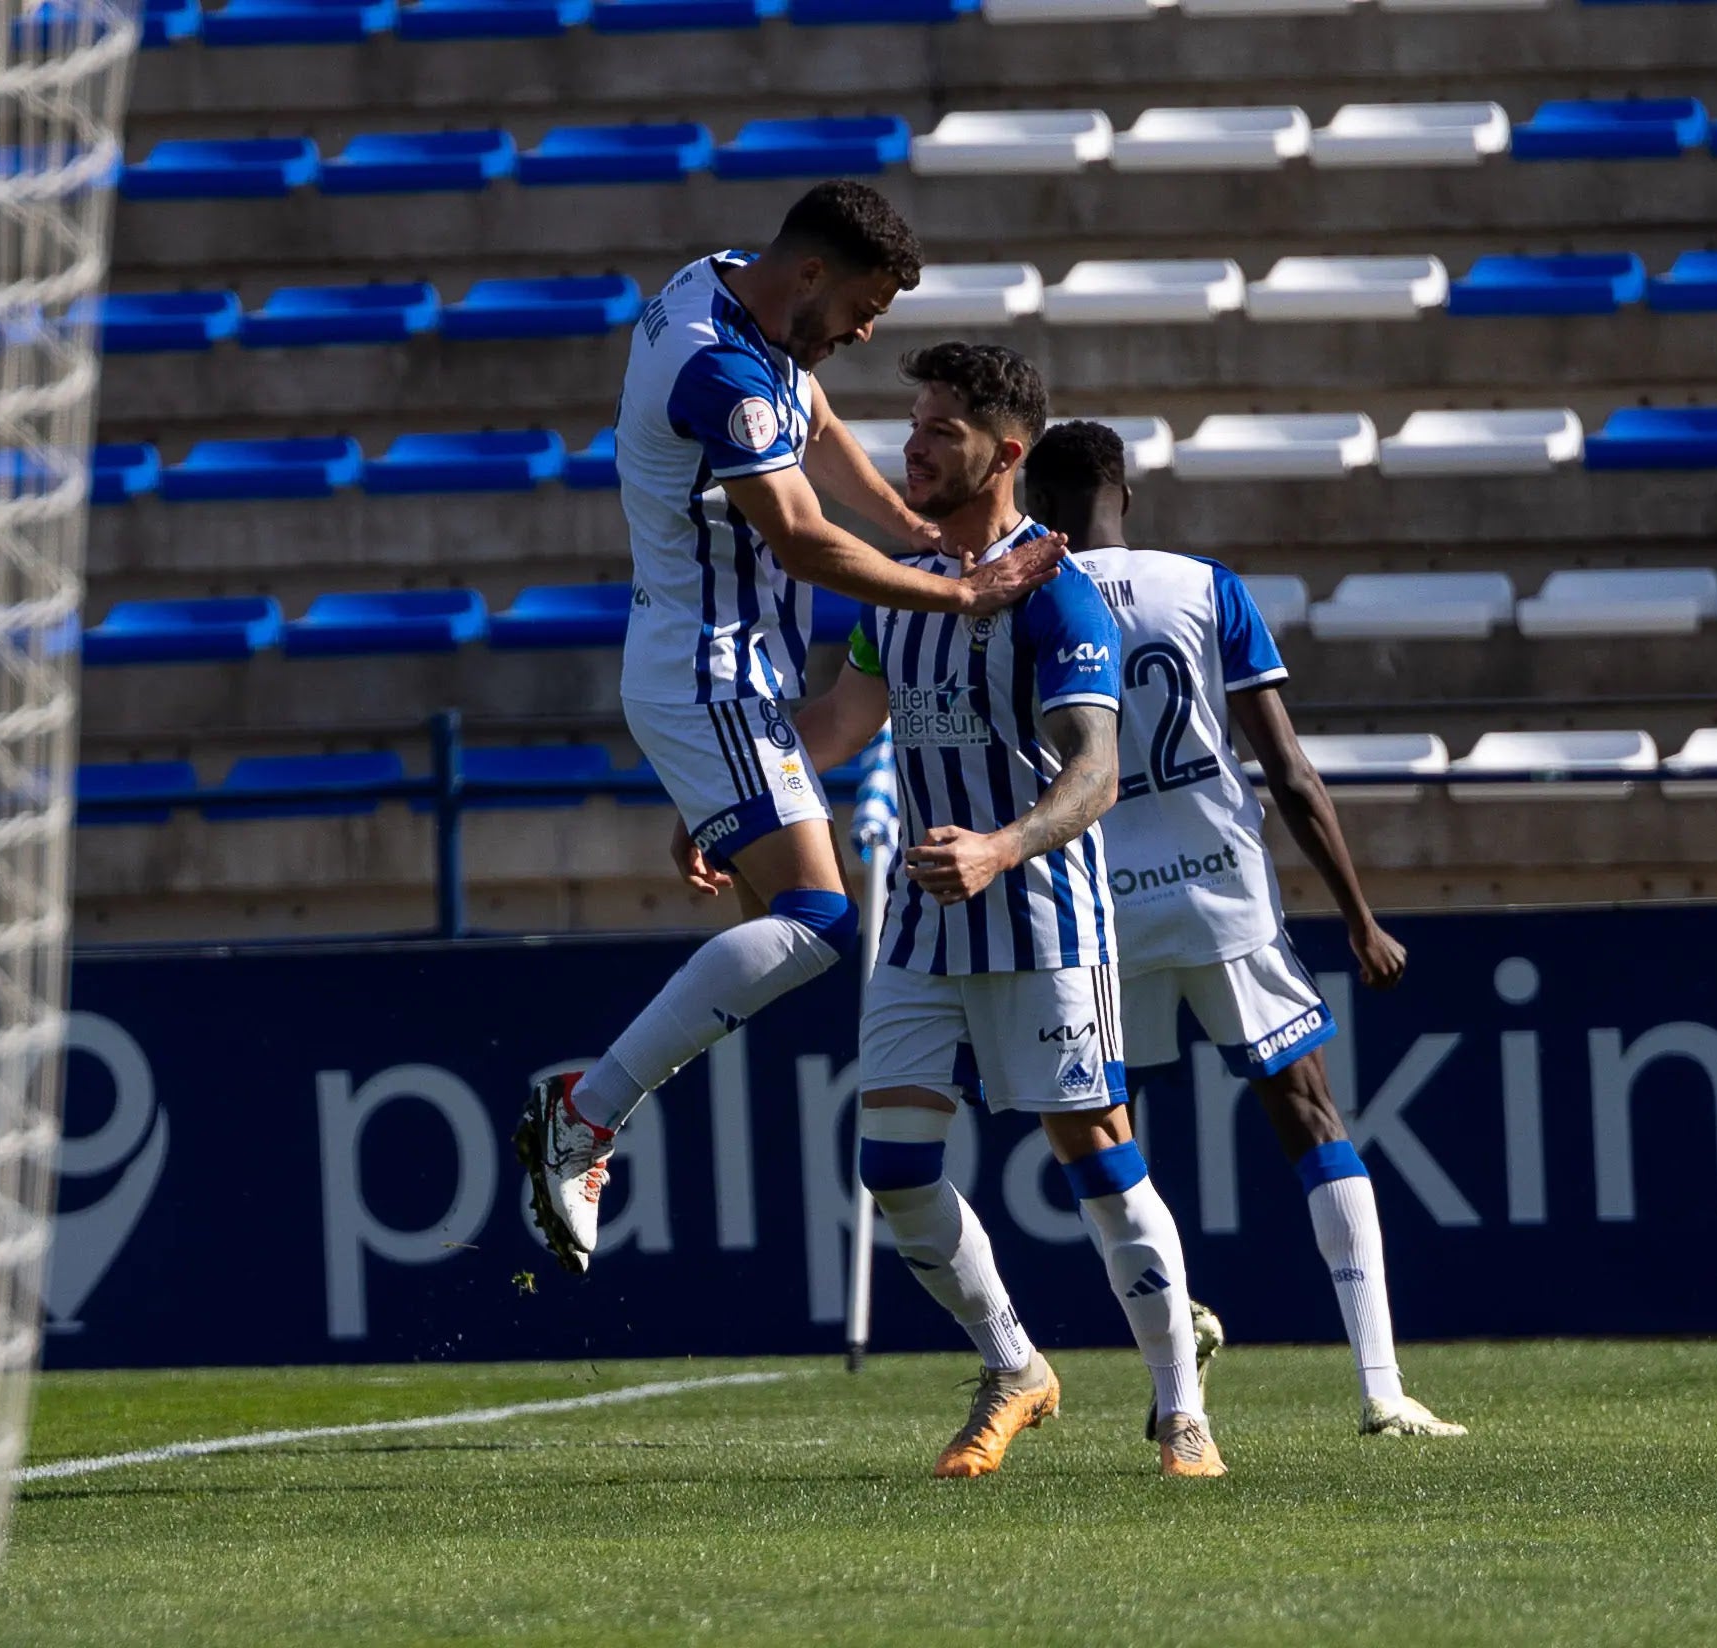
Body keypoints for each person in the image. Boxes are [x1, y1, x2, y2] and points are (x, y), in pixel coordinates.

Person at [693, 343, 1223, 1478]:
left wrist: (1000, 844)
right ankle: (1016, 1366)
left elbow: (1095, 771)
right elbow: (835, 726)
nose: (912, 446)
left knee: (1095, 1153)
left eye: (940, 430)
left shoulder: (1058, 592)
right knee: (892, 1164)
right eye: (914, 422)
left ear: (1006, 453)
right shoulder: (907, 588)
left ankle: (1183, 1411)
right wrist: (730, 807)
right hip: (927, 927)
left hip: (1041, 914)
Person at [515, 184, 1066, 1276]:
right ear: (811, 274)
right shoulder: (717, 369)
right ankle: (582, 1110)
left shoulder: (734, 290)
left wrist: (913, 531)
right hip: (709, 675)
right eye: (864, 307)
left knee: (793, 929)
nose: (868, 333)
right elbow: (806, 541)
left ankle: (587, 1109)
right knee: (816, 922)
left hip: (734, 683)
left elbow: (808, 420)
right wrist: (961, 592)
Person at [1021, 420, 1465, 1440]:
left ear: (1041, 505)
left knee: (1103, 1135)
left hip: (1103, 901)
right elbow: (1292, 774)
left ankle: (1176, 1350)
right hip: (1222, 889)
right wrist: (1359, 917)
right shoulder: (1205, 585)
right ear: (1124, 493)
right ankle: (1381, 1387)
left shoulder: (1031, 594)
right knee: (1309, 1112)